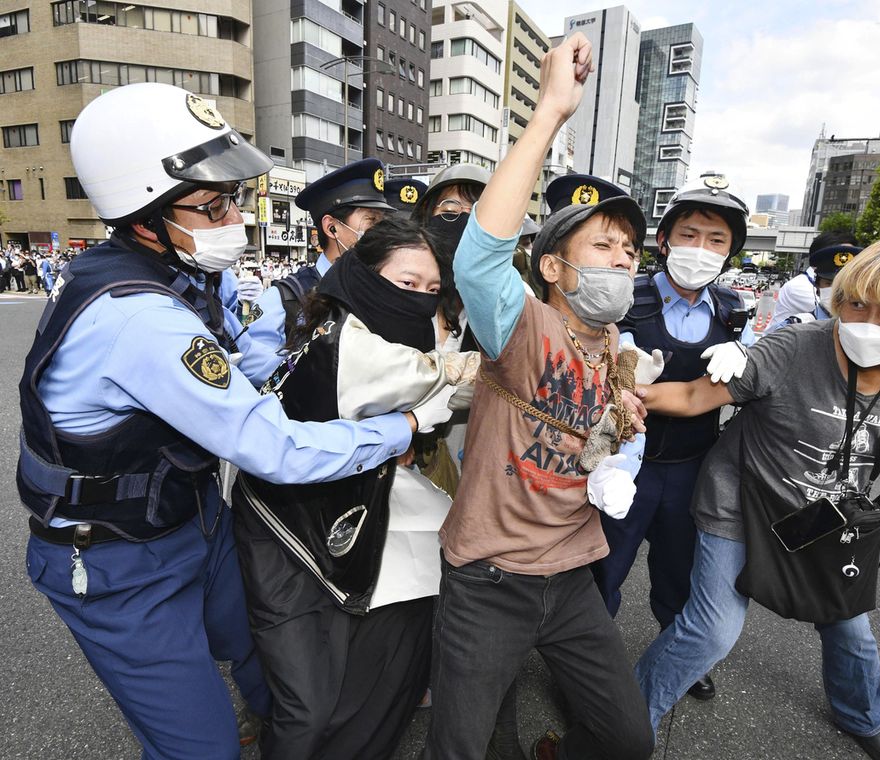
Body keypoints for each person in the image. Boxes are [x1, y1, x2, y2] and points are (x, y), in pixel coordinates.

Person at [16, 82, 446, 760]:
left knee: (261, 660)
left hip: (193, 519)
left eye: (232, 198)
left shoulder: (179, 274)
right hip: (115, 559)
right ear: (144, 210)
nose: (231, 217)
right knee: (203, 749)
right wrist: (408, 428)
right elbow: (273, 449)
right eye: (211, 203)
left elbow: (239, 370)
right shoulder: (138, 316)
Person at [630, 234, 880, 760]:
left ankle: (862, 716)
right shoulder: (795, 347)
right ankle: (627, 720)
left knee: (850, 630)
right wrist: (626, 388)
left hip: (824, 517)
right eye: (857, 302)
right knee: (711, 631)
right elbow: (696, 395)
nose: (868, 322)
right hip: (741, 504)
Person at [421, 33, 655, 760]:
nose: (621, 259)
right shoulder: (524, 325)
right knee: (465, 747)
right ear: (553, 266)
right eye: (601, 246)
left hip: (574, 576)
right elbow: (480, 254)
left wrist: (625, 453)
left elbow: (617, 432)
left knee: (627, 740)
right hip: (489, 581)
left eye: (629, 250)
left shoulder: (615, 348)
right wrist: (551, 110)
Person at [232, 217, 473, 758]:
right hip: (284, 532)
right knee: (309, 706)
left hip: (343, 519)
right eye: (406, 284)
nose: (419, 300)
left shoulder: (342, 324)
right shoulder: (353, 348)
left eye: (431, 291)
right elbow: (450, 379)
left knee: (369, 678)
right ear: (363, 277)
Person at [593, 175, 750, 703]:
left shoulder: (732, 311)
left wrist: (745, 358)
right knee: (603, 566)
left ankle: (679, 654)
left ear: (730, 253)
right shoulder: (627, 296)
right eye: (688, 234)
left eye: (715, 241)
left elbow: (749, 384)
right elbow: (605, 372)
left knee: (678, 569)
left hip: (692, 465)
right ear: (664, 240)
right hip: (623, 460)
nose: (699, 250)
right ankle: (588, 664)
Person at [247, 158, 394, 350]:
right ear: (331, 227)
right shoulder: (286, 298)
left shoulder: (387, 286)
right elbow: (255, 366)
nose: (380, 230)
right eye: (371, 220)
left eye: (381, 222)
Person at [766, 231, 859, 332]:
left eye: (847, 283)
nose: (839, 291)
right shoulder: (799, 287)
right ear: (817, 287)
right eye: (830, 283)